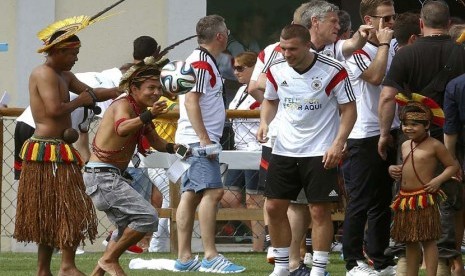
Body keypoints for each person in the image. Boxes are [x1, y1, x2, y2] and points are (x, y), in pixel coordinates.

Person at [13, 21, 120, 275]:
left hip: (61, 149)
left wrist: (120, 89)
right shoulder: (43, 74)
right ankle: (51, 269)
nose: (75, 58)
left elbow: (92, 93)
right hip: (45, 151)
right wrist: (80, 101)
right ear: (58, 51)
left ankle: (64, 267)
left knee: (65, 207)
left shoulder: (66, 76)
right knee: (51, 210)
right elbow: (53, 110)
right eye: (72, 53)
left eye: (77, 53)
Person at [257, 24, 356, 276]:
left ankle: (319, 269)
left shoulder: (333, 69)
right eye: (283, 48)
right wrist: (264, 122)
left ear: (306, 46)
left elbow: (349, 110)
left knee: (319, 210)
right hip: (284, 148)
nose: (286, 54)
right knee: (273, 208)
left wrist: (338, 143)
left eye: (292, 49)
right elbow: (270, 100)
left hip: (320, 150)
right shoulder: (276, 68)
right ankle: (281, 267)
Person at [378, 1, 465, 275]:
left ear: (421, 24)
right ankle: (445, 262)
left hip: (412, 139)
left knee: (408, 203)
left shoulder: (405, 54)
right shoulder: (461, 53)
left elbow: (387, 96)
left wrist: (383, 134)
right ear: (449, 24)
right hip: (453, 140)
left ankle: (407, 264)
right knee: (447, 206)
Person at [83, 54, 182, 275]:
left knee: (123, 228)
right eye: (151, 88)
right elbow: (122, 128)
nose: (157, 92)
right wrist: (148, 115)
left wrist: (176, 148)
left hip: (111, 176)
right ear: (134, 89)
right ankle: (109, 260)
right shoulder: (124, 105)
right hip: (102, 176)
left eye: (159, 88)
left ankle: (100, 271)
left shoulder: (140, 110)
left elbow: (156, 141)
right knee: (147, 217)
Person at [173, 14, 246, 273]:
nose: (228, 34)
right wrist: (205, 140)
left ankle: (184, 257)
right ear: (219, 36)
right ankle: (210, 255)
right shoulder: (202, 63)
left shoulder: (200, 61)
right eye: (226, 30)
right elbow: (192, 101)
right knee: (213, 192)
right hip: (198, 140)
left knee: (190, 195)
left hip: (190, 139)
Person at [341, 0, 397, 275]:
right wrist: (384, 46)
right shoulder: (356, 50)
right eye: (385, 19)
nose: (390, 24)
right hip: (363, 132)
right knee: (360, 201)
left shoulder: (393, 45)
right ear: (368, 20)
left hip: (390, 127)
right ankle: (352, 260)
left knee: (383, 201)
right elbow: (375, 77)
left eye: (392, 18)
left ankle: (380, 256)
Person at [390, 96, 458, 276]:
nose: (408, 128)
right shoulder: (404, 144)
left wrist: (438, 180)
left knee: (428, 240)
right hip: (405, 198)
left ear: (427, 125)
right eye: (405, 124)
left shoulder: (435, 145)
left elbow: (453, 166)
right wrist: (393, 169)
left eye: (414, 124)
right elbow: (404, 165)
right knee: (410, 240)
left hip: (424, 198)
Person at [220, 51, 264, 252]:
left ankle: (258, 246)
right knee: (228, 198)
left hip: (257, 150)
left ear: (255, 69)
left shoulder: (262, 90)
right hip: (239, 149)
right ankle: (267, 232)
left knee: (253, 201)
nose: (235, 72)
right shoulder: (240, 91)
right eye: (234, 68)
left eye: (240, 68)